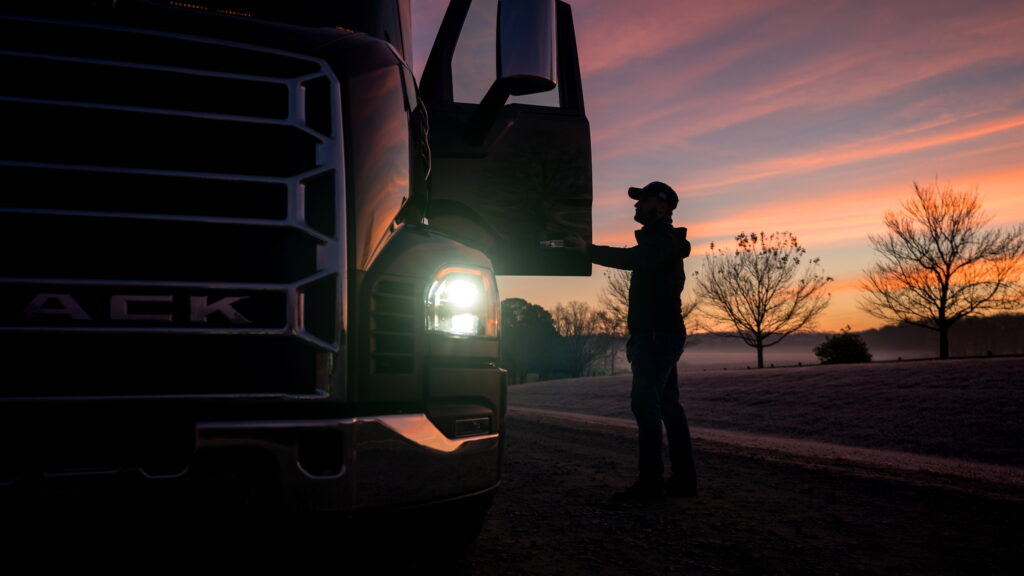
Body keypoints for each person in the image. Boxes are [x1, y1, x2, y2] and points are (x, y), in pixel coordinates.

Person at [566, 181, 697, 502]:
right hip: (656, 334)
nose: (636, 206)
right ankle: (684, 481)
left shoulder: (662, 240)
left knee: (646, 404)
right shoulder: (662, 239)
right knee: (668, 406)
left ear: (662, 207)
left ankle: (652, 483)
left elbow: (634, 259)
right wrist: (635, 336)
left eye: (643, 201)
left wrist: (588, 250)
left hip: (657, 335)